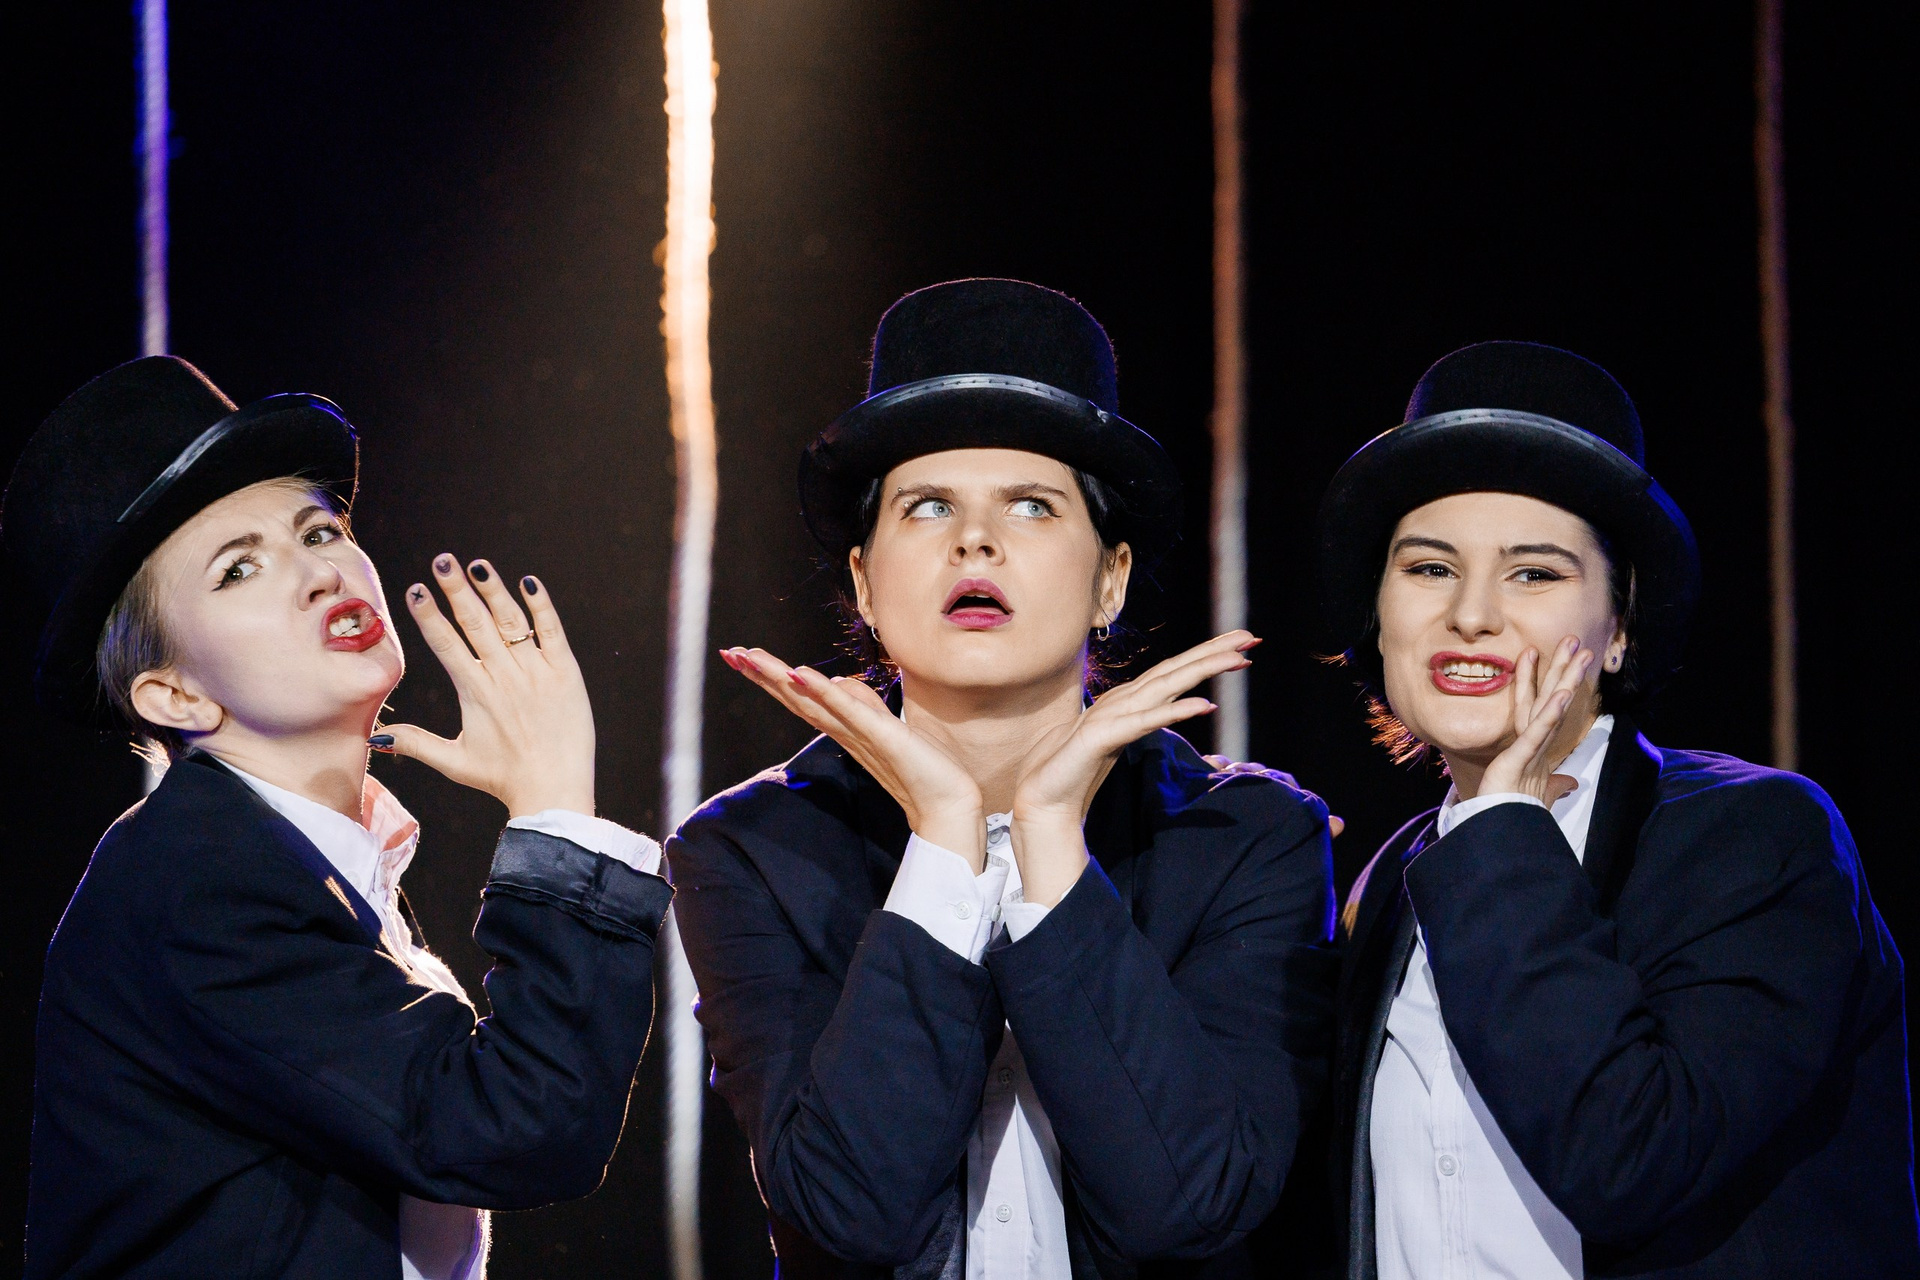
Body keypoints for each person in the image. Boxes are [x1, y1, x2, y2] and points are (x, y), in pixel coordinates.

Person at [668, 278, 1340, 1278]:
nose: (973, 539)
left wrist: (1050, 839)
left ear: (1111, 578)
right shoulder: (752, 848)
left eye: (1031, 505)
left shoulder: (1249, 834)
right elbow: (852, 1212)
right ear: (863, 580)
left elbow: (1187, 1203)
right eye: (928, 506)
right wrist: (945, 837)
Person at [7, 357, 675, 1279]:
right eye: (239, 569)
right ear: (174, 694)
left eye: (319, 530)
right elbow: (514, 1127)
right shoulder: (192, 885)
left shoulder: (303, 858)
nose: (318, 573)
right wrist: (555, 804)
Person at [1315, 340, 1918, 1279]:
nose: (1471, 615)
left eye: (1535, 574)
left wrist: (1500, 827)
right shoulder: (1390, 886)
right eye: (1429, 568)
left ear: (1620, 628)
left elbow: (1628, 1160)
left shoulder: (1754, 838)